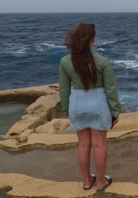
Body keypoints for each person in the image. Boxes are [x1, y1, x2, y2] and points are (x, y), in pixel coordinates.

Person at [58, 23, 121, 192]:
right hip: (98, 105)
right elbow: (111, 89)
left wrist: (65, 110)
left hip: (77, 105)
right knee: (99, 145)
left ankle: (87, 181)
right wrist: (115, 111)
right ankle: (100, 182)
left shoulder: (65, 61)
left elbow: (64, 89)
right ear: (93, 40)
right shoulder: (102, 60)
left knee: (83, 145)